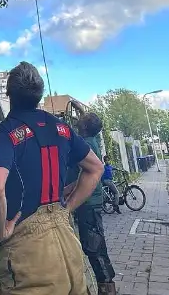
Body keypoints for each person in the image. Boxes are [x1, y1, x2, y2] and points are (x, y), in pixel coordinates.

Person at [0, 61, 104, 295]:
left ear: (9, 94)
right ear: (40, 95)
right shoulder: (61, 128)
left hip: (30, 246)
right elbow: (95, 168)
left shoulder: (7, 131)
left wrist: (0, 232)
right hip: (67, 239)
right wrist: (67, 208)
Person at [65, 112, 117, 295]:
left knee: (93, 246)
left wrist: (68, 190)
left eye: (82, 119)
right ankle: (106, 285)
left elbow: (85, 174)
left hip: (87, 202)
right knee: (95, 244)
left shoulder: (86, 144)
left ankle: (106, 286)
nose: (78, 120)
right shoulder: (92, 142)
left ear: (85, 126)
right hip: (90, 202)